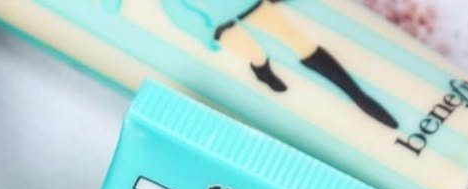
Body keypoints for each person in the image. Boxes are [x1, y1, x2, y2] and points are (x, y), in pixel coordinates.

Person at [100, 0, 395, 124]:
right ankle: (262, 68)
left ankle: (355, 92)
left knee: (298, 41)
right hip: (216, 21)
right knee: (254, 53)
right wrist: (205, 36)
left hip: (245, 4)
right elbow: (178, 14)